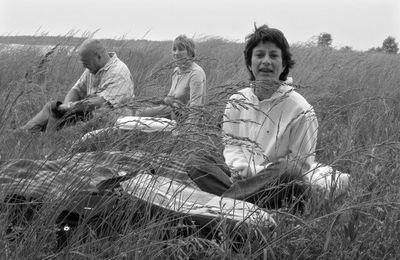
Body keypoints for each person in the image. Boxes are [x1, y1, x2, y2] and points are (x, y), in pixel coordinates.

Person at [185, 25, 318, 210]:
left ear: (284, 64)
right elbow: (231, 145)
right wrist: (237, 168)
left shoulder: (301, 110)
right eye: (259, 55)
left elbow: (301, 167)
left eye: (273, 55)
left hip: (274, 186)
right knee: (196, 160)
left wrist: (252, 174)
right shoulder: (236, 101)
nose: (266, 61)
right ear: (249, 62)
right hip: (238, 177)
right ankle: (240, 204)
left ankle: (222, 205)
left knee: (291, 172)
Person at [21, 39, 135, 132]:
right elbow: (76, 90)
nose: (85, 68)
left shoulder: (118, 72)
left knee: (57, 118)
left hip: (109, 120)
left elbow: (100, 103)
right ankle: (25, 132)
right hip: (90, 115)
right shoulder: (93, 68)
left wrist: (70, 107)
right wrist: (65, 106)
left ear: (98, 56)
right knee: (53, 107)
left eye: (86, 64)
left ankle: (36, 135)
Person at [135, 35, 206, 121]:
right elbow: (169, 99)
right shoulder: (176, 71)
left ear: (190, 53)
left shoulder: (195, 74)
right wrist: (157, 101)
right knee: (139, 112)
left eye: (180, 49)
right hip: (172, 110)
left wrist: (189, 129)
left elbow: (195, 107)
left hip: (184, 118)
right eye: (174, 49)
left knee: (141, 115)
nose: (176, 53)